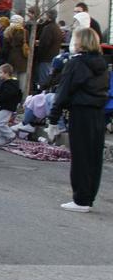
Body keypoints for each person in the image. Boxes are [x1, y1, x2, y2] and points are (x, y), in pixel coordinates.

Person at [48, 27, 108, 212]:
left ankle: (81, 199)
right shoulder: (102, 63)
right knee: (93, 157)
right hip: (98, 113)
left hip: (80, 112)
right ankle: (88, 196)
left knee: (81, 156)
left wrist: (53, 118)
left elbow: (64, 91)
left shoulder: (76, 63)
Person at [0, 63, 21, 146]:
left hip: (7, 106)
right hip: (3, 106)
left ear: (6, 73)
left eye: (0, 72)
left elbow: (6, 95)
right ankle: (2, 140)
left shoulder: (10, 84)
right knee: (1, 123)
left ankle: (11, 135)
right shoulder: (6, 83)